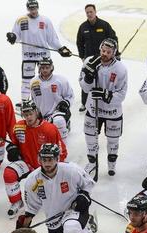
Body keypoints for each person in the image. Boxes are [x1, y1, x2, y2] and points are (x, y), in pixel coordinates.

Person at [19, 143, 96, 233]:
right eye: (44, 159)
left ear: (57, 159)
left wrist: (84, 196)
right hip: (53, 217)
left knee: (71, 230)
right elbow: (32, 206)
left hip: (73, 210)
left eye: (50, 159)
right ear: (39, 160)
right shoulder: (32, 180)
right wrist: (24, 226)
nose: (47, 163)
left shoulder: (71, 170)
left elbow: (88, 183)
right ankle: (87, 227)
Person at [4, 99, 67, 218]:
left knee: (51, 196)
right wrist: (12, 148)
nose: (28, 117)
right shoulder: (18, 127)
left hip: (46, 167)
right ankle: (17, 201)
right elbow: (14, 143)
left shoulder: (49, 129)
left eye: (30, 114)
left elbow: (61, 150)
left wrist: (56, 169)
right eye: (25, 114)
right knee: (9, 174)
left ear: (37, 112)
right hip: (27, 163)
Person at [79, 38, 128, 178]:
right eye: (103, 50)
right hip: (93, 109)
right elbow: (84, 87)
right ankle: (92, 164)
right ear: (100, 49)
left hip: (112, 111)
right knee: (90, 138)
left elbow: (122, 94)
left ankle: (111, 165)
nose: (105, 54)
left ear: (114, 53)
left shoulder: (120, 69)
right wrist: (88, 77)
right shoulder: (89, 62)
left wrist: (106, 95)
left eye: (108, 52)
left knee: (113, 141)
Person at [7, 0, 72, 100]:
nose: (33, 11)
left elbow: (52, 39)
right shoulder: (21, 20)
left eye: (35, 8)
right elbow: (16, 35)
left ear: (38, 7)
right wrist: (12, 37)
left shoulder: (45, 20)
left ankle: (43, 99)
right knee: (26, 80)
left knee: (44, 79)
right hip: (28, 56)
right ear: (28, 8)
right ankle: (25, 101)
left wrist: (60, 48)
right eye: (31, 8)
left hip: (43, 56)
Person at [76, 3, 117, 113]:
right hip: (89, 59)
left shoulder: (104, 25)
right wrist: (82, 57)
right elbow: (79, 43)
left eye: (91, 12)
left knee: (104, 79)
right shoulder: (83, 27)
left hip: (104, 59)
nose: (89, 14)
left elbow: (114, 39)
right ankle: (84, 103)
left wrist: (115, 54)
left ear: (95, 12)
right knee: (87, 78)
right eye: (87, 12)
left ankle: (107, 100)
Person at [30, 57, 74, 138]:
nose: (45, 70)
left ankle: (62, 141)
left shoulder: (61, 80)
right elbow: (34, 99)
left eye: (47, 67)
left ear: (52, 67)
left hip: (58, 112)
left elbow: (70, 95)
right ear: (39, 68)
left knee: (59, 121)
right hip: (42, 115)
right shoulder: (33, 82)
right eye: (42, 68)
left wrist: (65, 103)